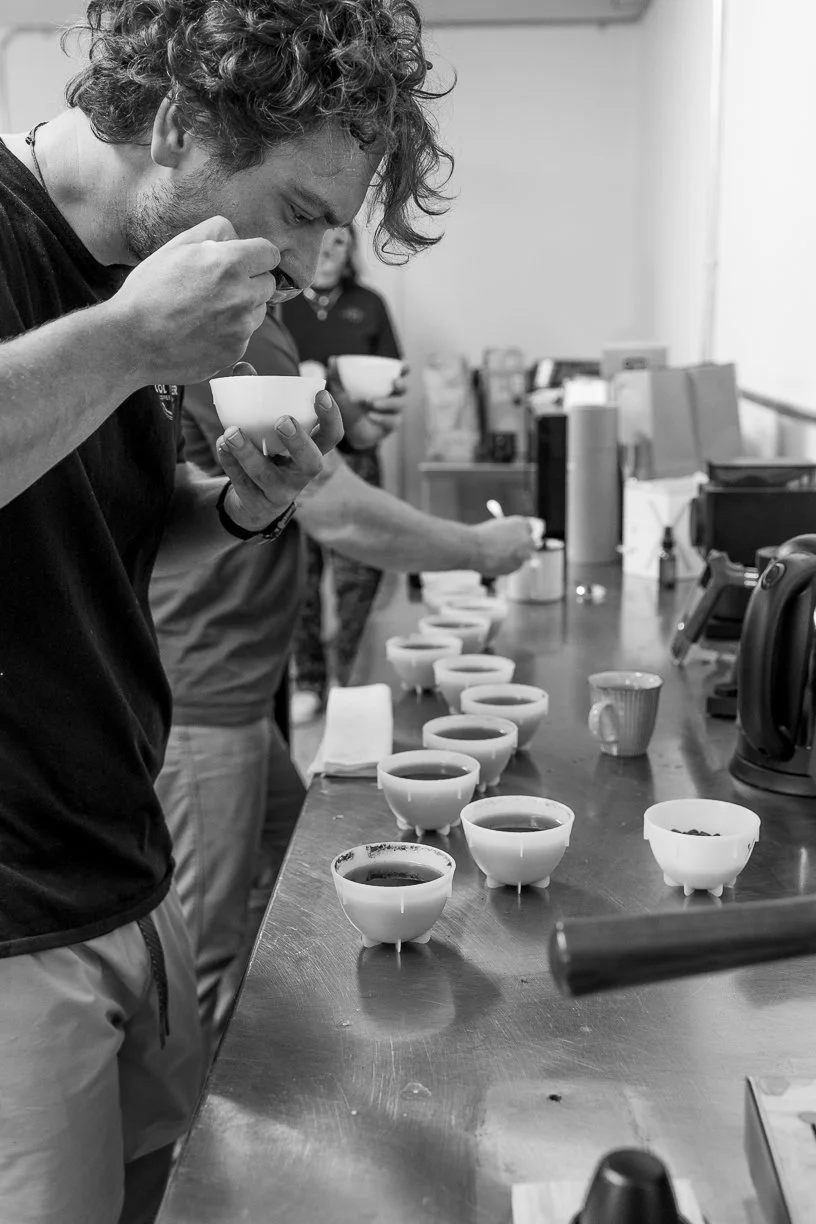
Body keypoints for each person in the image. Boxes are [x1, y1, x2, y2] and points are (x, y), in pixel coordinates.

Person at [0, 1, 452, 1221]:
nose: (312, 272)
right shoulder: (69, 277)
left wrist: (242, 505)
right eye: (303, 214)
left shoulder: (128, 291)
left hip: (120, 867)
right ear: (175, 119)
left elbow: (103, 533)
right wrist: (133, 341)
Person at [150, 308, 536, 1058]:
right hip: (206, 681)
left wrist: (345, 427)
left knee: (284, 887)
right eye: (307, 214)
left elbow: (286, 470)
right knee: (204, 945)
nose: (319, 249)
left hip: (238, 680)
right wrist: (476, 548)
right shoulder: (233, 323)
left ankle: (259, 1078)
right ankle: (187, 1148)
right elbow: (332, 509)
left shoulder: (265, 323)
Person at [282, 224, 404, 724]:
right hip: (295, 458)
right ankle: (308, 679)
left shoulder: (369, 303)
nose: (329, 252)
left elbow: (392, 376)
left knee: (360, 570)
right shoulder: (280, 301)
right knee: (301, 574)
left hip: (356, 455)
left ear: (350, 250)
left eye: (339, 243)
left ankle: (348, 677)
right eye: (323, 239)